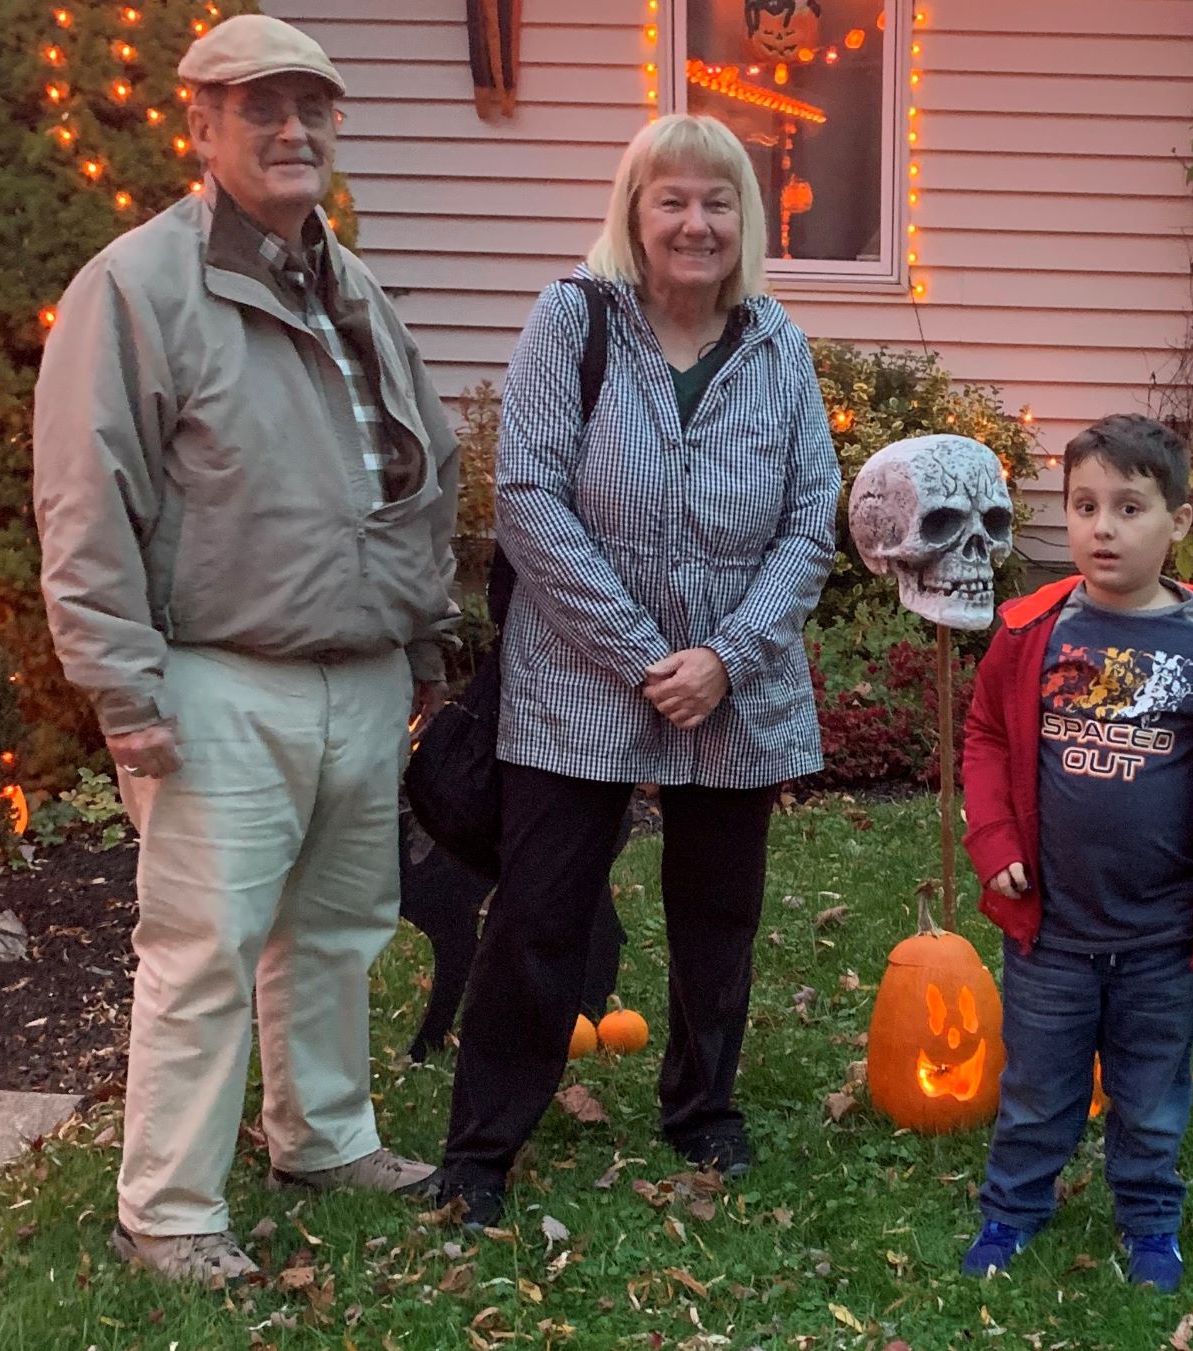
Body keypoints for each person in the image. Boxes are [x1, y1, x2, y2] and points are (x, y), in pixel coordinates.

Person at [32, 15, 460, 1284]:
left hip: (360, 673)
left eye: (311, 109)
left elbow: (422, 466)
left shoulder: (350, 284)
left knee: (339, 931)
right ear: (202, 123)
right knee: (204, 950)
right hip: (216, 675)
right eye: (261, 108)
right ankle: (167, 1211)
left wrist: (424, 639)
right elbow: (86, 499)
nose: (292, 131)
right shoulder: (136, 286)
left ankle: (322, 1137)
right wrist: (122, 688)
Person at [434, 114, 840, 1228]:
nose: (695, 223)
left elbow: (812, 520)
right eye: (673, 199)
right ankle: (482, 1145)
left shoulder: (776, 345)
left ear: (744, 220)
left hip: (733, 685)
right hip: (578, 675)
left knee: (719, 910)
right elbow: (528, 499)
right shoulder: (573, 320)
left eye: (718, 201)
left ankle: (702, 1107)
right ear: (634, 211)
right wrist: (644, 655)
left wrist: (726, 657)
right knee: (540, 909)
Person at [959, 414, 1193, 1293]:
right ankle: (1012, 1208)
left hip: (1162, 939)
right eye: (1083, 505)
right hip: (1052, 931)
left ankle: (1148, 1219)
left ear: (1179, 520)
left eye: (1129, 508)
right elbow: (986, 735)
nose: (1101, 528)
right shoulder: (1031, 632)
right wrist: (993, 840)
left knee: (1148, 1095)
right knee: (1036, 1087)